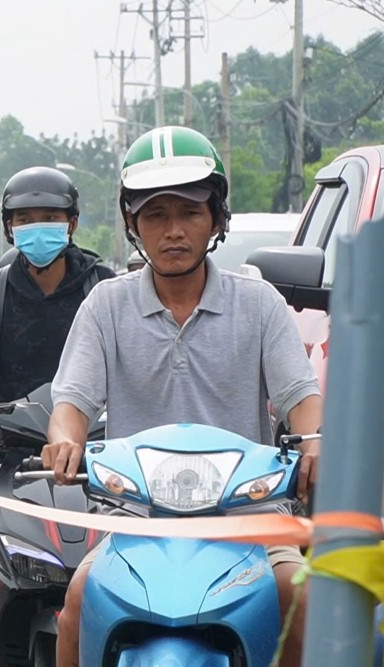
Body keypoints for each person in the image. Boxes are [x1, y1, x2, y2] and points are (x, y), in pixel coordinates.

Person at [42, 126, 322, 667]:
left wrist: (315, 443)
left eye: (190, 213)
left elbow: (301, 396)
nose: (173, 231)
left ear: (216, 218)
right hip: (136, 522)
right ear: (133, 225)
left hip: (251, 519)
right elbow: (72, 403)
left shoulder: (260, 304)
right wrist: (64, 441)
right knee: (78, 603)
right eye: (155, 215)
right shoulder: (106, 306)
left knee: (301, 597)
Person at [0, 166, 115, 666]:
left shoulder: (105, 289)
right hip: (15, 457)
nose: (38, 228)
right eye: (25, 219)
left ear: (73, 223)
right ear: (8, 226)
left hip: (102, 459)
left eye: (51, 217)